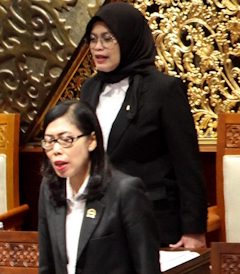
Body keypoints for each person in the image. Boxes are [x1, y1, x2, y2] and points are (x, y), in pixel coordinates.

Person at [37, 100, 170, 274]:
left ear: (92, 140)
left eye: (66, 140)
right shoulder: (49, 193)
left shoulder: (124, 192)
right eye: (49, 142)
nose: (56, 150)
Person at [79, 3, 206, 249]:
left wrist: (194, 229)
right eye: (93, 39)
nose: (98, 47)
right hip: (101, 218)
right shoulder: (90, 88)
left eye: (108, 38)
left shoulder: (163, 90)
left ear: (128, 39)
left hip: (154, 219)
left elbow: (187, 165)